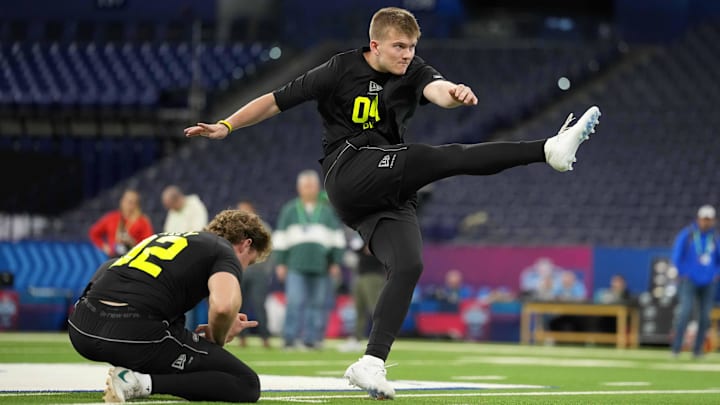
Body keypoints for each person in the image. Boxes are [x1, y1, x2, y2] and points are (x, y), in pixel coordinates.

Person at [185, 7, 601, 399]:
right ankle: (548, 149)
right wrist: (226, 125)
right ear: (375, 45)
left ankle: (370, 362)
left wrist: (452, 92)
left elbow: (436, 90)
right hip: (348, 171)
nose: (408, 54)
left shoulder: (414, 70)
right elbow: (276, 100)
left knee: (408, 264)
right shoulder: (340, 68)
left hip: (385, 186)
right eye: (399, 47)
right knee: (432, 157)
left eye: (413, 46)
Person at [69, 210, 271, 403]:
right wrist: (219, 336)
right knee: (246, 383)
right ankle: (140, 383)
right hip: (131, 333)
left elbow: (110, 266)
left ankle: (137, 367)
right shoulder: (223, 250)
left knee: (175, 322)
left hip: (81, 329)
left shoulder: (164, 238)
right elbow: (223, 308)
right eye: (249, 262)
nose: (244, 269)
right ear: (245, 244)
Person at [272, 170, 346, 350]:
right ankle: (289, 338)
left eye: (312, 186)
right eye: (306, 186)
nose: (309, 189)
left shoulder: (327, 212)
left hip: (321, 266)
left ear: (317, 187)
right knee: (295, 302)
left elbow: (337, 238)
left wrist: (335, 262)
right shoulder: (290, 210)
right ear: (299, 188)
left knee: (318, 304)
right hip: (295, 265)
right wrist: (280, 262)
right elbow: (280, 238)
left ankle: (313, 339)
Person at [671, 205, 720, 358]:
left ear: (713, 221)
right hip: (689, 280)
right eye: (704, 219)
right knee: (684, 312)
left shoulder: (715, 238)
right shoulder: (688, 235)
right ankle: (676, 348)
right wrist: (682, 273)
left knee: (705, 317)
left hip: (708, 282)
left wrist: (716, 274)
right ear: (699, 219)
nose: (706, 222)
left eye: (709, 219)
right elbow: (677, 255)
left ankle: (698, 350)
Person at [236, 200, 273, 348]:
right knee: (239, 306)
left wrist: (266, 270)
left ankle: (265, 337)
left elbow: (271, 250)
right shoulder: (234, 230)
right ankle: (241, 338)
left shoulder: (263, 228)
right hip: (240, 272)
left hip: (258, 272)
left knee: (259, 305)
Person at [339, 241, 386, 353]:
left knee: (375, 308)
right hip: (360, 274)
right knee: (359, 309)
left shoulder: (380, 235)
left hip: (373, 275)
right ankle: (356, 338)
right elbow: (357, 249)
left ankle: (382, 339)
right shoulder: (362, 235)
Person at [89, 189, 154, 258]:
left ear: (137, 205)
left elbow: (148, 243)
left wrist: (133, 243)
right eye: (127, 201)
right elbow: (94, 233)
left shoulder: (142, 221)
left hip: (133, 258)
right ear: (121, 201)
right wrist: (104, 246)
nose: (128, 204)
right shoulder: (112, 217)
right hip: (114, 257)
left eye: (132, 202)